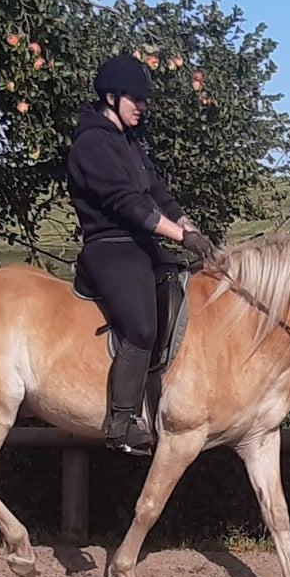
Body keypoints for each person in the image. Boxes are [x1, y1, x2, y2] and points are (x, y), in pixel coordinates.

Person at [66, 53, 217, 455]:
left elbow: (156, 193)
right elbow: (127, 203)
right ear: (112, 97)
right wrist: (179, 238)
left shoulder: (128, 143)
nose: (143, 106)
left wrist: (190, 227)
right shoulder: (92, 144)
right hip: (110, 247)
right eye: (137, 99)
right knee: (142, 326)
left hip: (140, 245)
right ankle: (121, 420)